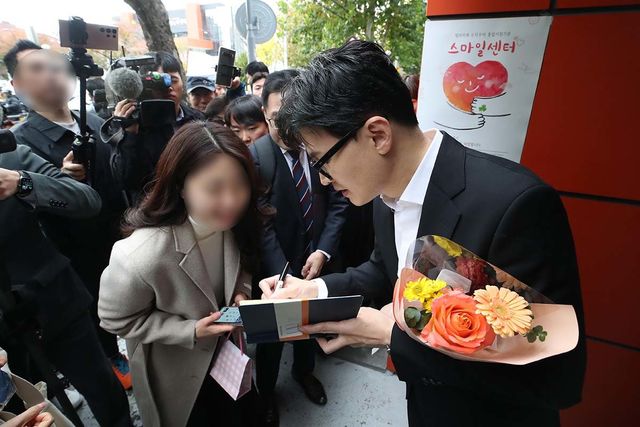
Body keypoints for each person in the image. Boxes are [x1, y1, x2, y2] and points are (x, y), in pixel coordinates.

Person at [259, 40, 586, 427]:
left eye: (321, 162)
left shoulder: (514, 206)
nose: (324, 181)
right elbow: (385, 269)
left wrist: (391, 335)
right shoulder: (382, 195)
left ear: (377, 135)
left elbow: (555, 378)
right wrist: (314, 290)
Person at [99, 121, 269, 427]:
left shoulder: (232, 224)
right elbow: (115, 320)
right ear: (179, 185)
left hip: (230, 353)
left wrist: (241, 291)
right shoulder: (140, 255)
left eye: (240, 185)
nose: (231, 200)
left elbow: (242, 262)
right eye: (214, 189)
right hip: (179, 372)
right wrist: (189, 331)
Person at [7, 47, 132, 389]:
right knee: (94, 310)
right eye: (37, 68)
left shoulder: (92, 121)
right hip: (73, 250)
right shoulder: (18, 144)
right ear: (17, 83)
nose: (51, 74)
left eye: (55, 66)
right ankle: (110, 356)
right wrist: (58, 181)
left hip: (119, 232)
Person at [0, 144, 132, 427]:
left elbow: (86, 200)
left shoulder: (10, 156)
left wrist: (22, 182)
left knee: (104, 392)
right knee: (25, 411)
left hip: (56, 302)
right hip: (5, 339)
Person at [250, 70, 349, 426]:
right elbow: (261, 224)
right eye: (279, 118)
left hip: (316, 263)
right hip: (276, 273)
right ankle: (266, 393)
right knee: (272, 340)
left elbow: (339, 201)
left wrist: (323, 252)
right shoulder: (257, 158)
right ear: (265, 114)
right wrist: (284, 275)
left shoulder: (319, 147)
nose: (288, 127)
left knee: (309, 326)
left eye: (296, 116)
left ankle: (304, 373)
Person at [105, 51, 205, 203]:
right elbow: (126, 181)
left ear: (182, 82)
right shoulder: (133, 124)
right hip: (155, 208)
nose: (169, 87)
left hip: (195, 202)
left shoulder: (197, 118)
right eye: (160, 82)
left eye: (173, 80)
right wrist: (129, 134)